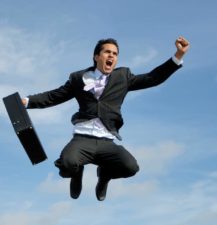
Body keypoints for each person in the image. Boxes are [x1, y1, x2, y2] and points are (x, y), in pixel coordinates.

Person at [22, 36, 190, 201]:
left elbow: (153, 78)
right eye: (107, 52)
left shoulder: (123, 77)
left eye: (115, 54)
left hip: (106, 141)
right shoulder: (78, 78)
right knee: (66, 165)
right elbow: (54, 96)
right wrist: (27, 101)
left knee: (131, 167)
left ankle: (104, 175)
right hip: (82, 139)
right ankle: (77, 172)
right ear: (96, 57)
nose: (111, 56)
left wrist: (178, 56)